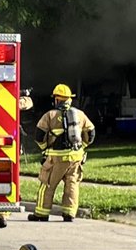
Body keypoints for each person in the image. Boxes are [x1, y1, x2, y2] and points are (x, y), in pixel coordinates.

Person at [28, 83, 95, 222]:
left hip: (56, 159)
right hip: (76, 157)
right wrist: (81, 146)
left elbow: (39, 135)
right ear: (70, 99)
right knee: (72, 185)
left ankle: (41, 213)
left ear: (57, 100)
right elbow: (91, 132)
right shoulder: (80, 114)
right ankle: (69, 213)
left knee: (47, 185)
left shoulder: (50, 115)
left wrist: (45, 148)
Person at [0, 90, 36, 229]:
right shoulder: (10, 100)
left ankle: (2, 214)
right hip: (4, 143)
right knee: (2, 179)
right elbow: (27, 103)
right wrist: (21, 94)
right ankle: (2, 214)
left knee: (0, 178)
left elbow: (28, 104)